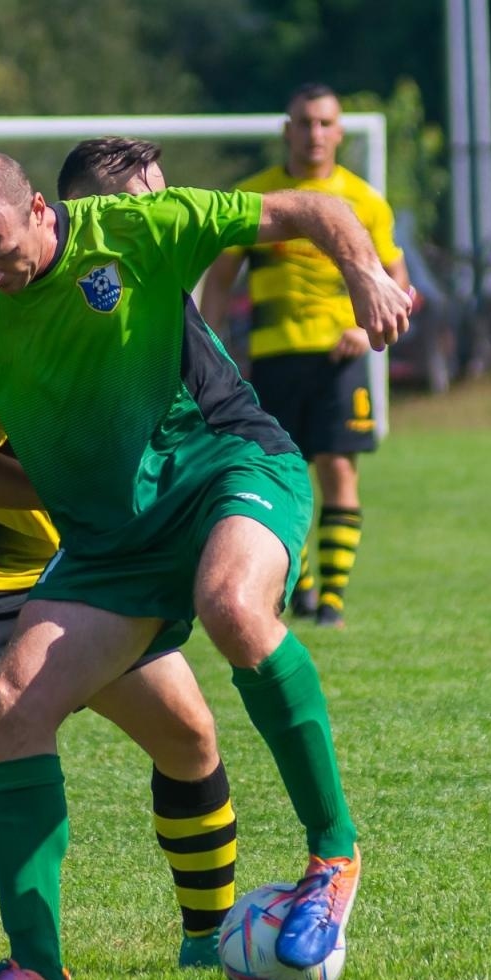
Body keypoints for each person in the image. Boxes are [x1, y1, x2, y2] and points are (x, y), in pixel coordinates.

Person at [0, 151, 411, 980]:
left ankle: (327, 859)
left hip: (220, 471)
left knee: (227, 616)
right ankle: (35, 966)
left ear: (39, 208)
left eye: (1, 251)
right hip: (54, 554)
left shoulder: (136, 231)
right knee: (6, 709)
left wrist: (364, 272)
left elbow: (304, 209)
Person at [199, 83, 414, 629]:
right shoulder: (256, 197)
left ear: (339, 132)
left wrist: (365, 333)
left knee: (338, 467)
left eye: (324, 123)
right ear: (286, 130)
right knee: (280, 472)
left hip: (339, 356)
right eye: (304, 122)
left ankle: (332, 605)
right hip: (271, 358)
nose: (314, 134)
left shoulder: (364, 201)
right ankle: (301, 589)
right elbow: (220, 281)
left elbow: (398, 283)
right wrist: (214, 350)